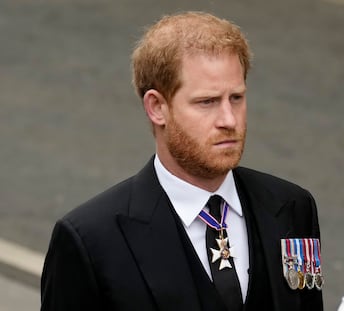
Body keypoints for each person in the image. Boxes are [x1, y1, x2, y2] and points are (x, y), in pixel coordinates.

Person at [40, 11, 323, 311]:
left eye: (236, 98)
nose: (229, 119)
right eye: (207, 102)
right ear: (157, 107)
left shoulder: (292, 207)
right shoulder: (91, 241)